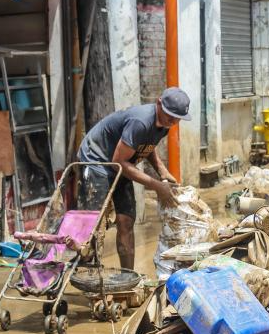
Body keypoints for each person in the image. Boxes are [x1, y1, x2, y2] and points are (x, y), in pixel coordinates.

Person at [76, 88, 189, 270]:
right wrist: (156, 186)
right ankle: (91, 278)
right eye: (170, 116)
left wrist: (162, 170)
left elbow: (146, 144)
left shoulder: (165, 124)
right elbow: (118, 161)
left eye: (177, 118)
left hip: (121, 164)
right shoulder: (141, 121)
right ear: (159, 103)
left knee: (126, 221)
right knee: (93, 225)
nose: (173, 121)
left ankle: (127, 276)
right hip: (97, 160)